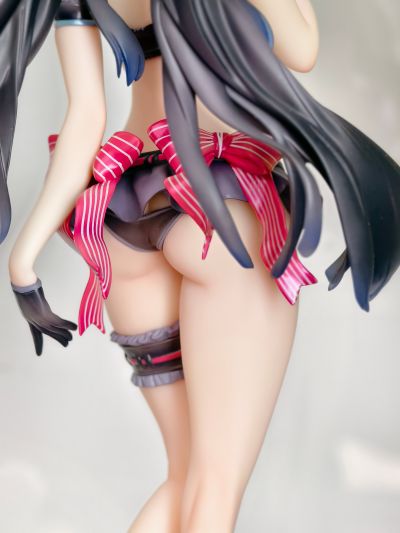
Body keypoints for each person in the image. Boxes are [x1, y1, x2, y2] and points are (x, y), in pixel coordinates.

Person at [1, 1, 400, 532]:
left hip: (122, 214)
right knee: (214, 485)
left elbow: (85, 118)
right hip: (219, 208)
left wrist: (23, 258)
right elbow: (302, 48)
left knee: (186, 477)